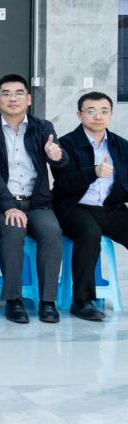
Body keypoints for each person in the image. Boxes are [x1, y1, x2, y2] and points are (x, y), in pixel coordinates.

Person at [0, 75, 66, 324]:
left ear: (28, 99)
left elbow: (60, 160)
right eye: (6, 94)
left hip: (37, 203)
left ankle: (47, 302)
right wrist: (8, 206)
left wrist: (56, 156)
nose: (13, 99)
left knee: (52, 232)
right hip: (0, 204)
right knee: (14, 230)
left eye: (19, 93)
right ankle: (13, 300)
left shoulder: (43, 127)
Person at [53, 91, 128, 322]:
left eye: (104, 111)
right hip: (75, 208)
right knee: (89, 233)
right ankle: (82, 301)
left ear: (111, 114)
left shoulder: (120, 145)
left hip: (110, 208)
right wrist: (93, 172)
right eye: (91, 111)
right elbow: (64, 183)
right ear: (79, 114)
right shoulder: (66, 144)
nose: (98, 116)